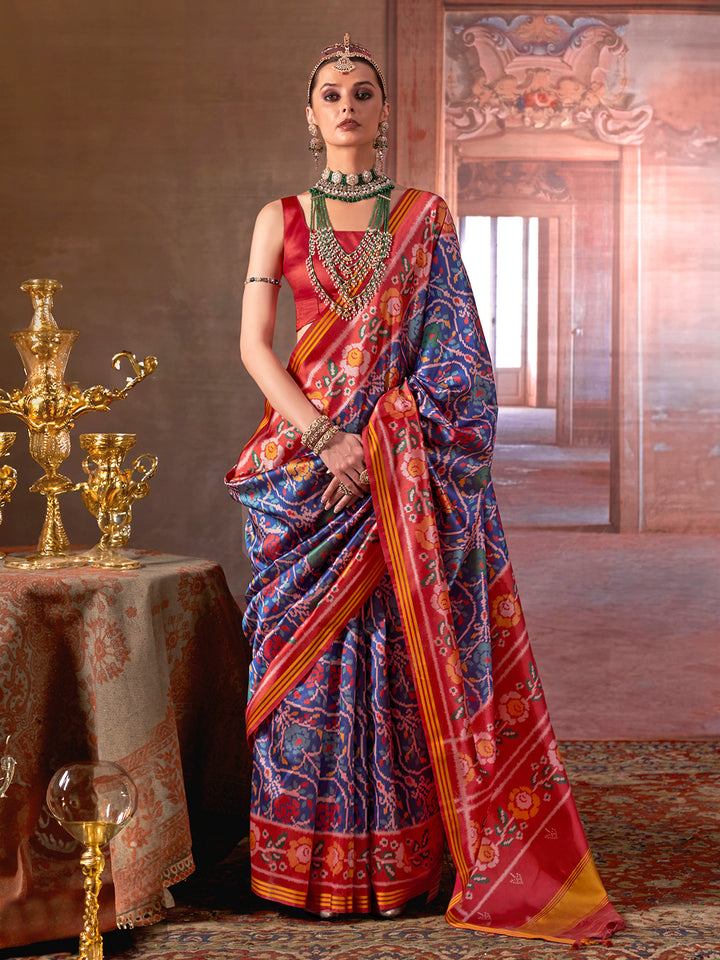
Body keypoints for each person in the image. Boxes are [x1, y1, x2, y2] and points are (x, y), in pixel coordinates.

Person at [226, 34, 624, 945]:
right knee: (308, 675)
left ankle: (402, 862)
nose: (348, 105)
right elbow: (254, 344)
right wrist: (327, 438)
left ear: (384, 113)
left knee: (400, 662)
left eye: (363, 92)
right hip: (306, 473)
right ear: (311, 113)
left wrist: (385, 442)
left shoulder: (425, 216)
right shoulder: (277, 216)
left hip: (400, 476)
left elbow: (458, 360)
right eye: (331, 92)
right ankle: (300, 864)